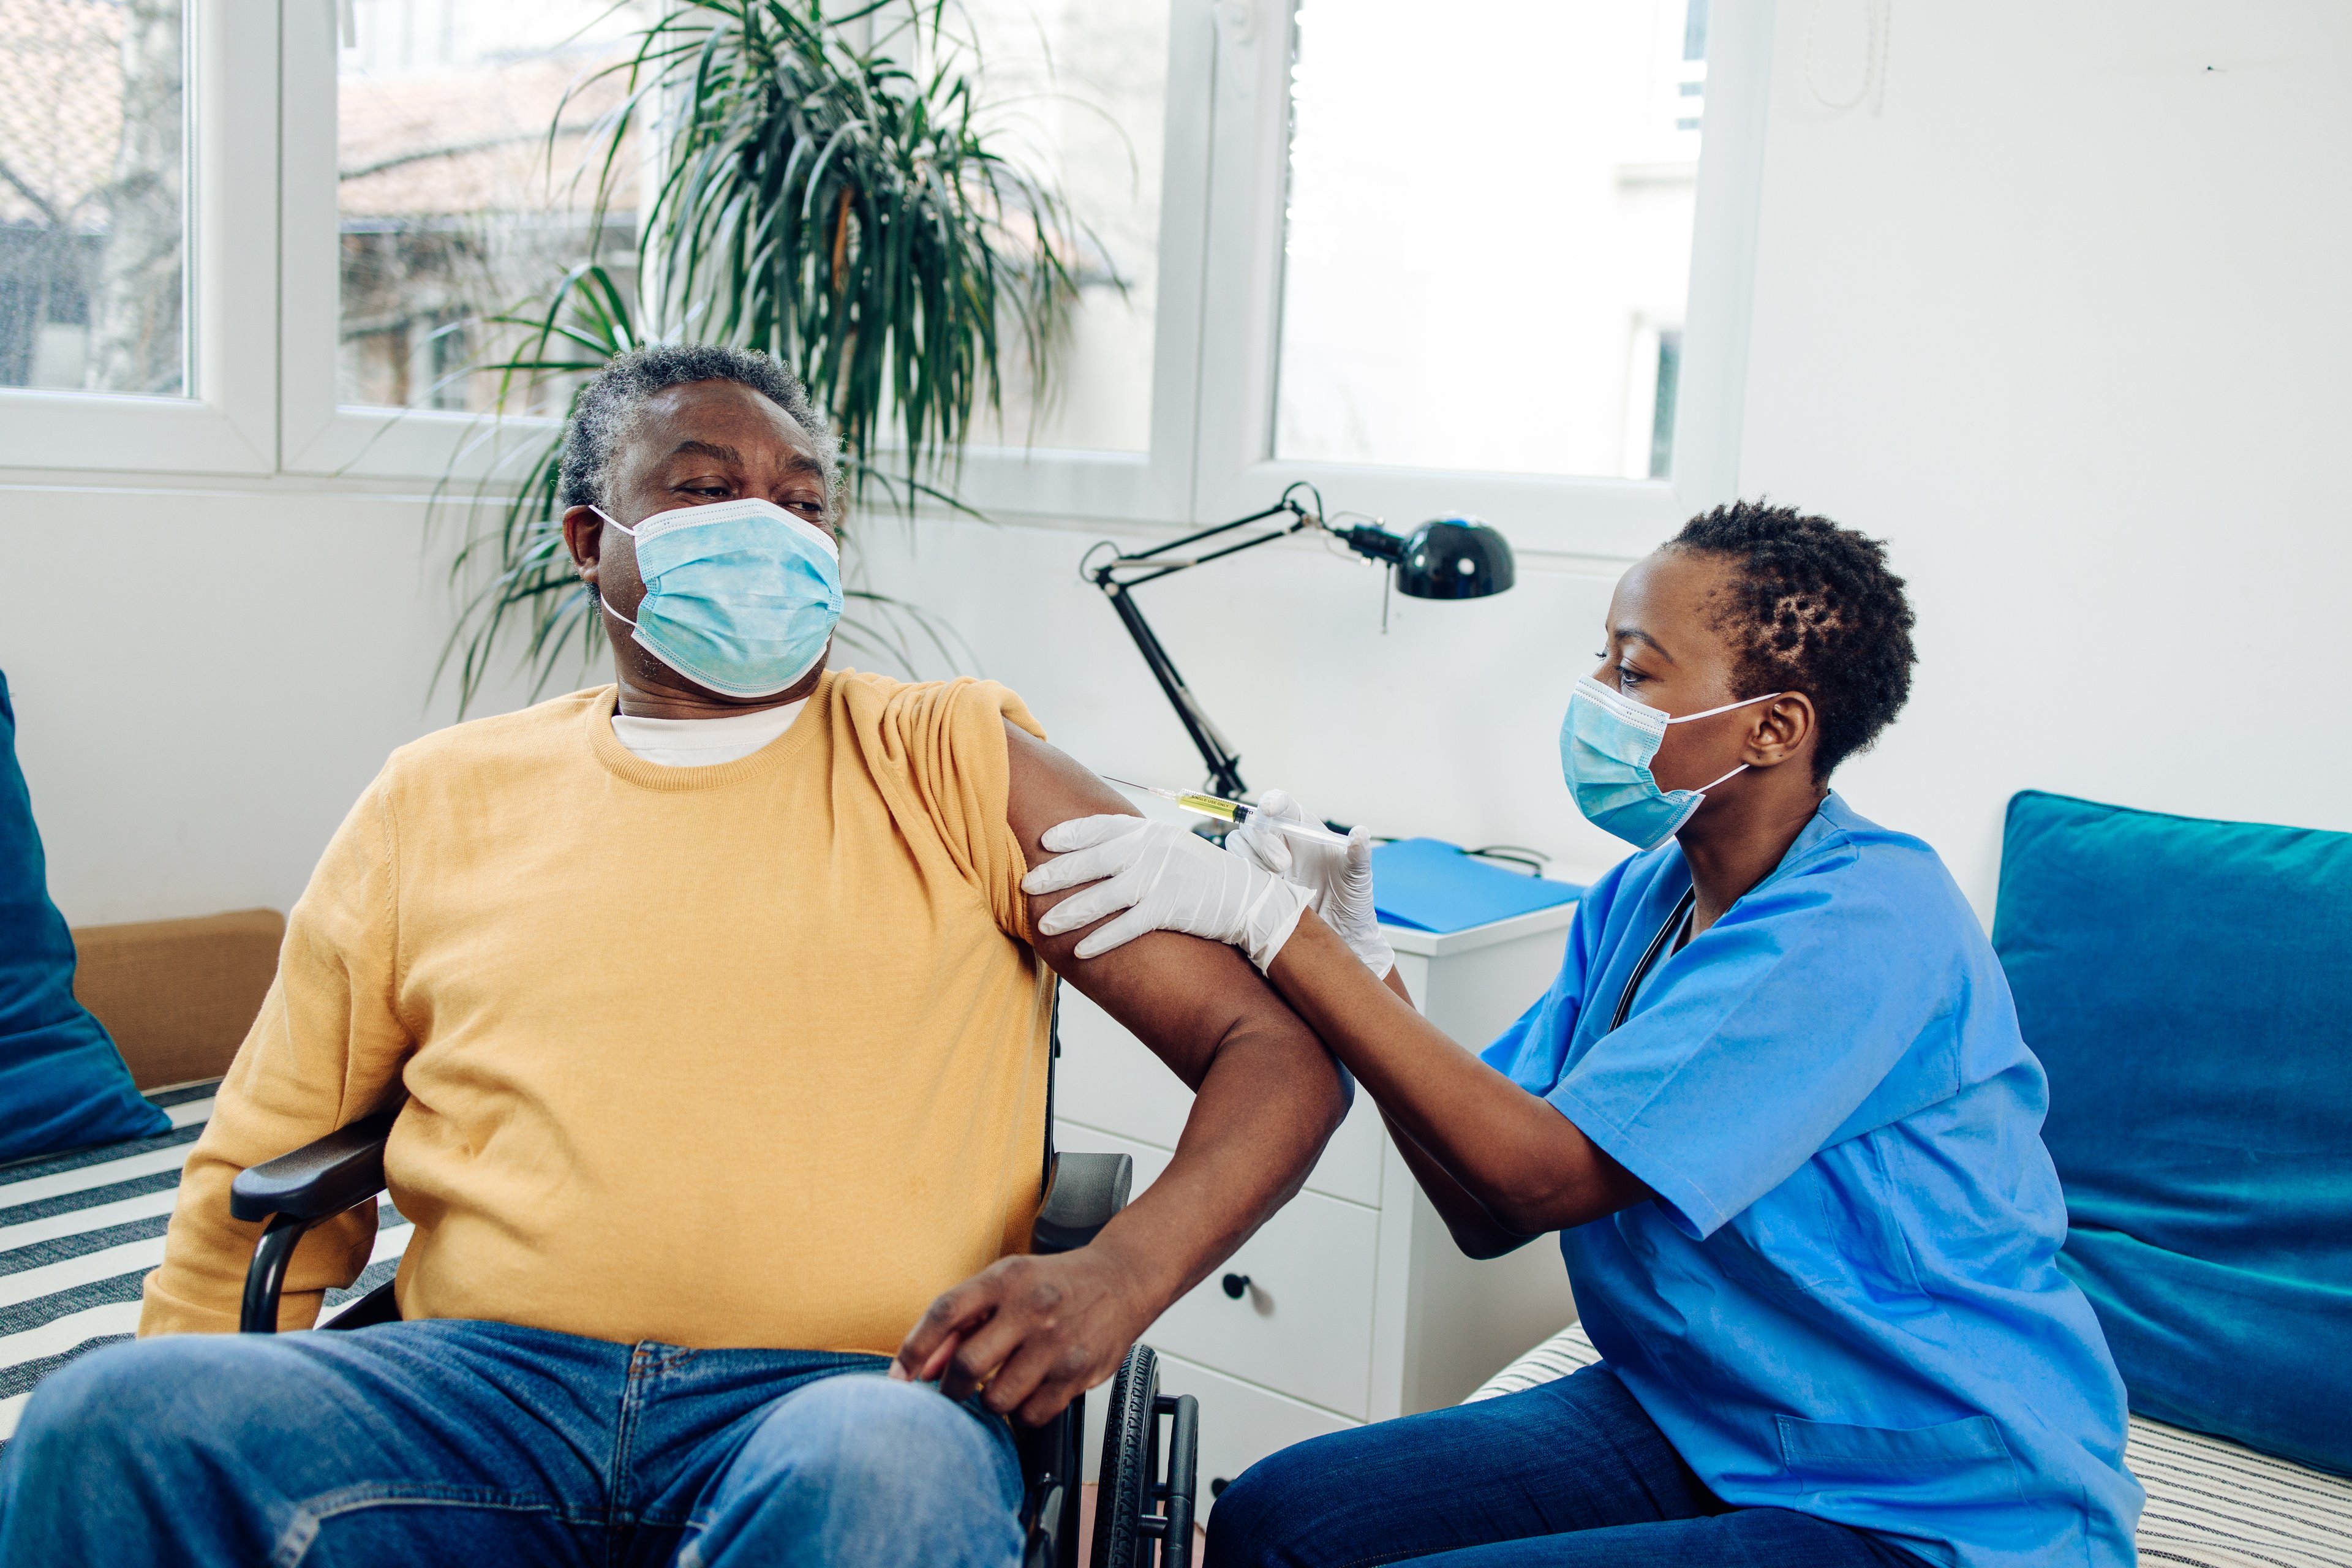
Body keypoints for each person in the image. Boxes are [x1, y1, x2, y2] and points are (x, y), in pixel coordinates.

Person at [0, 345, 1351, 1567]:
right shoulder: (437, 798)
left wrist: (1116, 1274)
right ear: (594, 539)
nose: (771, 528)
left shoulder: (952, 760)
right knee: (108, 1420)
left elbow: (1276, 1054)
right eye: (710, 493)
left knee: (887, 1476)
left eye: (805, 504)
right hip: (484, 1395)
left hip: (839, 1394)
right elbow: (263, 1157)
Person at [1022, 503, 2143, 1568]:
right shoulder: (1639, 902)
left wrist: (1282, 934)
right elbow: (1484, 1204)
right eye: (1604, 657)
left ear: (1774, 726)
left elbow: (1537, 1177)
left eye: (1636, 669)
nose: (1598, 693)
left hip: (1921, 1490)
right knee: (1283, 1518)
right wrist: (1368, 967)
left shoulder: (1868, 926)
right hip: (1706, 1411)